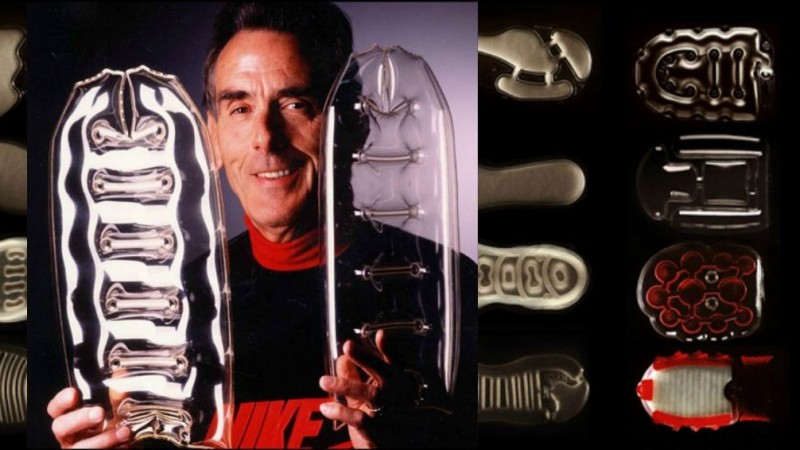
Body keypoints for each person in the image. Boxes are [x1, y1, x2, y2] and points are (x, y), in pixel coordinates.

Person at [46, 2, 476, 448]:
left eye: (295, 104)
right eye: (240, 108)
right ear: (211, 138)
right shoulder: (167, 313)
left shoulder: (448, 291)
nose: (266, 138)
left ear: (354, 126)